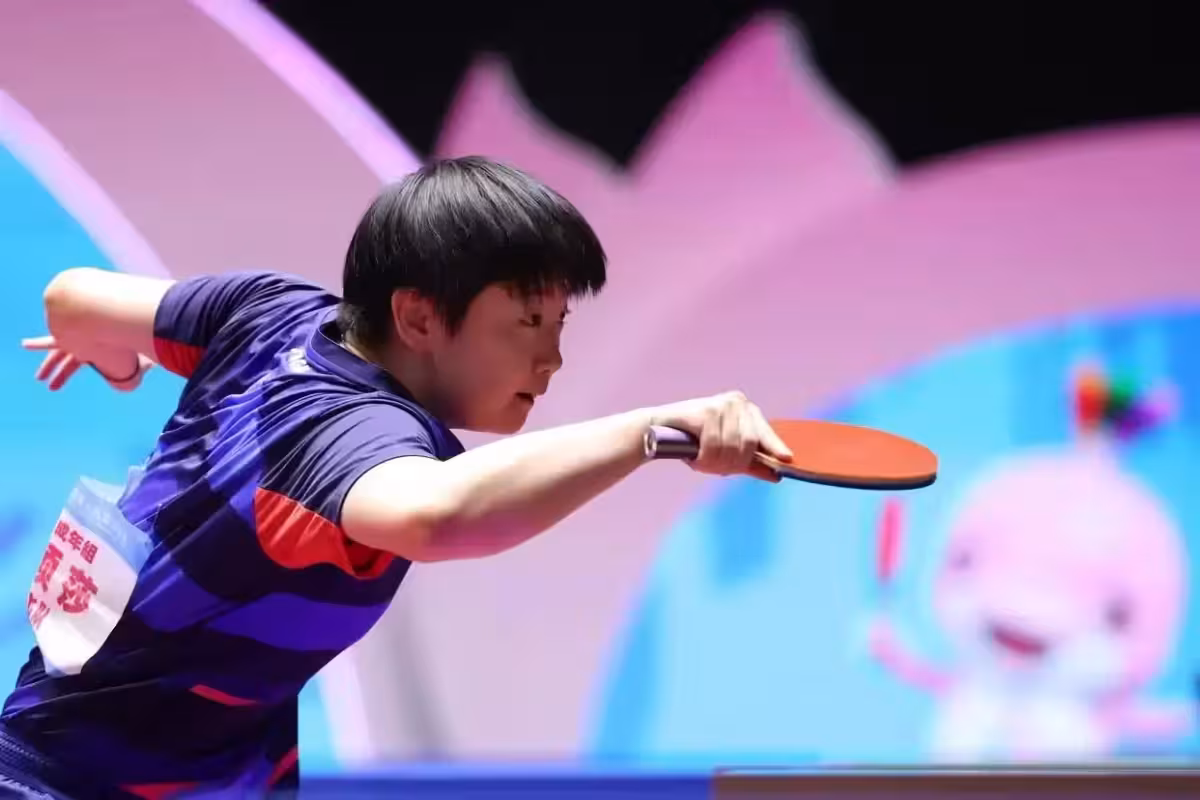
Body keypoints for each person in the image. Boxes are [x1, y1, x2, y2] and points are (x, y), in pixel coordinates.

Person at [0, 156, 790, 798]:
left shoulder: (270, 312)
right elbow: (435, 515)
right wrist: (650, 434)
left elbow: (69, 299)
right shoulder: (357, 433)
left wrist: (117, 359)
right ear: (417, 316)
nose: (551, 358)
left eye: (558, 323)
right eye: (525, 322)